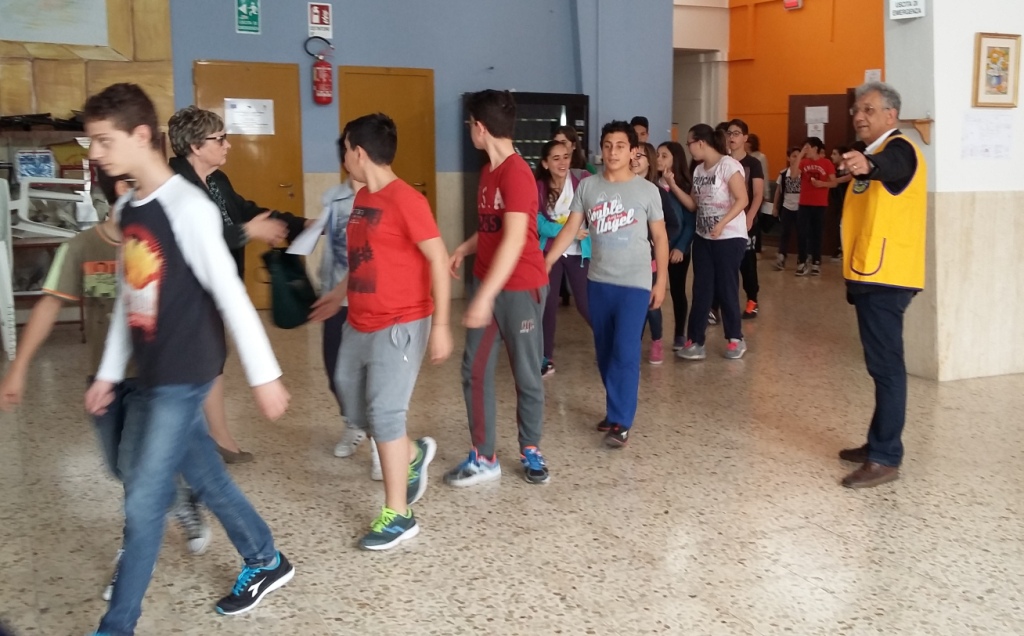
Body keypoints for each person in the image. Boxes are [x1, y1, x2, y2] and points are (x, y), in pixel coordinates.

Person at [82, 83, 293, 635]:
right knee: (205, 474)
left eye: (104, 140)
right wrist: (109, 373)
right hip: (153, 371)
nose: (95, 152)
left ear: (140, 136)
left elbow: (230, 293)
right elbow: (132, 299)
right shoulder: (130, 208)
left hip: (185, 372)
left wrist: (265, 375)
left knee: (144, 499)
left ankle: (116, 625)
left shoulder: (188, 208)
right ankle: (265, 558)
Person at [0, 168, 210, 603]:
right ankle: (181, 496)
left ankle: (131, 561)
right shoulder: (81, 247)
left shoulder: (163, 239)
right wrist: (19, 366)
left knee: (134, 470)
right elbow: (49, 305)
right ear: (122, 190)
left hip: (155, 379)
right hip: (105, 380)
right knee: (117, 467)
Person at [326, 114, 452, 549]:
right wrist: (337, 295)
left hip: (401, 323)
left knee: (384, 415)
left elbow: (438, 259)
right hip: (359, 319)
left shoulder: (407, 201)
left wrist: (441, 325)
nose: (344, 158)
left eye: (346, 150)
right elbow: (364, 256)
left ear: (359, 153)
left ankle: (398, 515)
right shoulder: (362, 197)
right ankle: (412, 453)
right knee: (351, 400)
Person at [167, 106, 305, 463]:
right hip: (187, 290)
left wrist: (302, 225)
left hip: (214, 288)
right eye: (220, 139)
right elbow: (193, 238)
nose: (228, 145)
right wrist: (248, 232)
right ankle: (199, 443)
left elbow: (246, 211)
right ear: (196, 146)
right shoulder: (174, 185)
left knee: (211, 358)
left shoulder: (216, 180)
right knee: (200, 362)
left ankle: (218, 439)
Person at [446, 89, 550, 486]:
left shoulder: (516, 172)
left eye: (469, 124)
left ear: (481, 127)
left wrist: (484, 296)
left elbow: (514, 240)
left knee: (526, 372)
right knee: (474, 368)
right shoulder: (489, 171)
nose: (468, 130)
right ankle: (484, 456)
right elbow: (493, 229)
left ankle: (531, 448)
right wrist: (464, 248)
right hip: (487, 283)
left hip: (520, 288)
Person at [545, 121, 668, 448]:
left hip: (635, 284)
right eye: (608, 145)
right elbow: (570, 230)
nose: (613, 152)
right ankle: (614, 411)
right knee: (604, 352)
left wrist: (662, 281)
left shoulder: (647, 191)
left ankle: (622, 422)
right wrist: (547, 262)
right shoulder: (588, 187)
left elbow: (660, 237)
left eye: (621, 146)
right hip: (598, 282)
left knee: (626, 352)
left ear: (633, 151)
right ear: (602, 149)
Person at [836, 82, 926, 489]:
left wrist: (869, 164)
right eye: (857, 110)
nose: (859, 116)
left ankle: (886, 457)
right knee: (880, 366)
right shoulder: (871, 152)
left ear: (892, 115)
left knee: (887, 368)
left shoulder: (900, 148)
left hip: (888, 276)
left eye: (869, 110)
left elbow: (890, 166)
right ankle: (877, 443)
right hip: (869, 274)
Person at [305, 163, 384, 480]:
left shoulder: (380, 197)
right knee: (337, 373)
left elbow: (374, 253)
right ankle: (353, 424)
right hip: (335, 298)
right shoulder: (334, 198)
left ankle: (381, 445)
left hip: (366, 299)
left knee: (371, 376)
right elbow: (328, 243)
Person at [674, 124, 749, 361]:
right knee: (701, 288)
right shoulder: (698, 170)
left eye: (689, 143)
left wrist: (722, 223)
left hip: (729, 237)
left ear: (701, 142)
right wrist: (673, 185)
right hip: (704, 237)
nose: (689, 148)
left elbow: (742, 199)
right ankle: (695, 341)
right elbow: (694, 205)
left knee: (726, 287)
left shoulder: (728, 165)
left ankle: (735, 338)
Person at [536, 139, 591, 377]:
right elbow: (537, 223)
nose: (562, 163)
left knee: (585, 303)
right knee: (547, 304)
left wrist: (578, 233)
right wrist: (567, 231)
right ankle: (544, 356)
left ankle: (610, 345)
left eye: (566, 157)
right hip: (550, 252)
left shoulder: (582, 182)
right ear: (545, 163)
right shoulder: (538, 187)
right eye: (555, 158)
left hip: (579, 252)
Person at [634, 142, 680, 365]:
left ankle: (657, 340)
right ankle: (633, 340)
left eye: (640, 156)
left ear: (649, 161)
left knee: (652, 304)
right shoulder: (621, 188)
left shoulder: (657, 192)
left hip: (650, 259)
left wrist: (657, 240)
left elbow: (674, 224)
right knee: (633, 305)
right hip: (627, 260)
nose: (634, 160)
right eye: (632, 155)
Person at [656, 141, 695, 351]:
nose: (659, 159)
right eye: (657, 155)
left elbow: (689, 223)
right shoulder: (651, 184)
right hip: (655, 249)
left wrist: (680, 247)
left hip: (677, 249)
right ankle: (654, 335)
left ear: (675, 160)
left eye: (664, 156)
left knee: (678, 291)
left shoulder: (685, 187)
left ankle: (680, 333)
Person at [726, 119, 765, 319]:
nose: (732, 137)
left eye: (736, 133)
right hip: (726, 221)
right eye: (729, 133)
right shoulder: (723, 161)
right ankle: (719, 304)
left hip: (746, 221)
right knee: (725, 264)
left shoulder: (753, 163)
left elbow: (758, 194)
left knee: (747, 263)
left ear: (745, 138)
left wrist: (750, 217)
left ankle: (752, 299)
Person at [795, 136, 835, 276]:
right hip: (804, 203)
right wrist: (800, 155)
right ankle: (802, 261)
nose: (806, 150)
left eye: (808, 147)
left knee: (816, 233)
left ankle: (816, 262)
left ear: (815, 148)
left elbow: (834, 182)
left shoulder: (826, 163)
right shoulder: (803, 162)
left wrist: (822, 184)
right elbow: (793, 175)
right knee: (802, 233)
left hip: (820, 204)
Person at [772, 147, 803, 271]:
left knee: (801, 234)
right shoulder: (784, 173)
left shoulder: (803, 173)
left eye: (798, 156)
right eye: (794, 156)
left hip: (800, 208)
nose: (796, 159)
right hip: (786, 207)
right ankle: (781, 256)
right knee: (785, 233)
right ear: (788, 158)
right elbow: (778, 192)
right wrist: (775, 207)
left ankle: (802, 258)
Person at [828, 145, 853, 260]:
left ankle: (845, 250)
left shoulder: (848, 170)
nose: (831, 156)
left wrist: (834, 181)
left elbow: (847, 178)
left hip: (847, 203)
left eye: (835, 154)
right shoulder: (834, 170)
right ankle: (840, 248)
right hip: (837, 203)